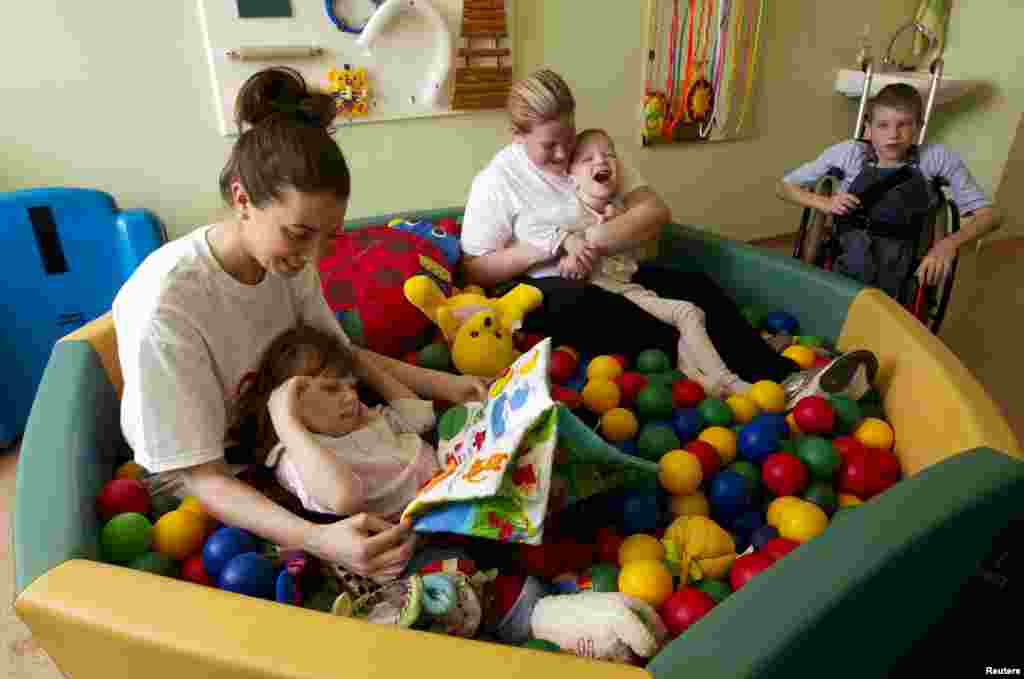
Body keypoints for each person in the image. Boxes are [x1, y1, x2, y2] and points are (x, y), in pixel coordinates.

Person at [113, 67, 487, 583]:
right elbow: (199, 474)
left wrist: (451, 385)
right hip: (204, 476)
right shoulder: (169, 306)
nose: (315, 254)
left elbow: (339, 351)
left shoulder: (284, 262)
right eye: (299, 234)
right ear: (243, 200)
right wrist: (317, 539)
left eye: (329, 236)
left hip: (285, 435)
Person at [460, 68, 878, 407]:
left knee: (693, 287)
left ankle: (785, 378)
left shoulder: (590, 153)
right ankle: (720, 375)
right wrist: (550, 245)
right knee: (602, 306)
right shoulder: (497, 182)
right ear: (517, 136)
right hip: (547, 289)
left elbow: (655, 212)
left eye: (567, 139)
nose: (561, 154)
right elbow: (475, 267)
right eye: (549, 145)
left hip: (612, 269)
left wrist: (589, 238)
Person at [514, 127, 752, 396]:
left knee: (688, 315)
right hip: (609, 293)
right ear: (572, 178)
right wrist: (568, 248)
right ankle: (728, 380)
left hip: (628, 286)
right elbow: (533, 227)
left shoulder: (618, 208)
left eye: (609, 155)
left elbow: (644, 240)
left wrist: (617, 218)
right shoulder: (571, 211)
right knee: (686, 313)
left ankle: (699, 379)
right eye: (588, 159)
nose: (601, 162)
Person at [778, 83, 1001, 302]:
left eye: (904, 125)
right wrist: (825, 203)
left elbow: (991, 216)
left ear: (919, 126)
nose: (893, 135)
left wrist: (947, 244)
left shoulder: (935, 158)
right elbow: (784, 187)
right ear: (869, 125)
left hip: (901, 268)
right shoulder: (849, 153)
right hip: (846, 261)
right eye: (883, 125)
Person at [230, 323, 439, 522]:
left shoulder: (362, 417)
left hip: (451, 481)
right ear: (288, 401)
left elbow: (422, 420)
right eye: (331, 389)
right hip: (422, 523)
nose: (351, 397)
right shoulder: (295, 455)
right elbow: (344, 497)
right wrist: (287, 422)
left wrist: (366, 367)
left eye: (351, 385)